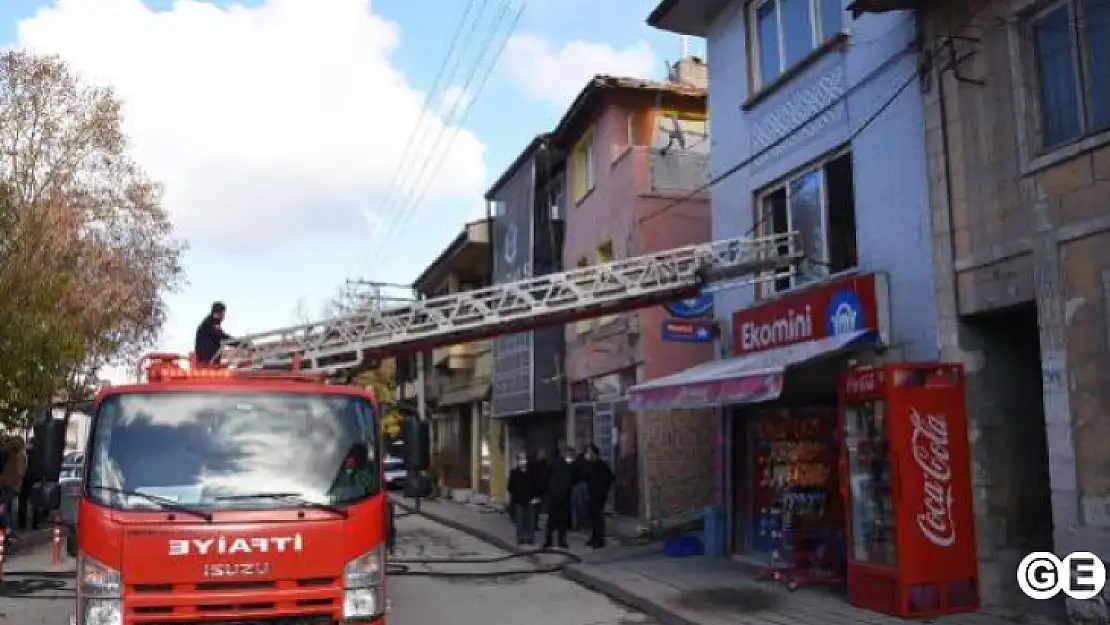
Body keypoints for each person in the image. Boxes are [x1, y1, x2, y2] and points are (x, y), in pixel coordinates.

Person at [542, 447, 575, 549]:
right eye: (569, 454)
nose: (570, 457)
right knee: (553, 520)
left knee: (561, 520)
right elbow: (548, 476)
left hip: (562, 495)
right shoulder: (556, 463)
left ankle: (558, 541)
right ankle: (551, 541)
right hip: (556, 495)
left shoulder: (569, 465)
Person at [584, 444, 614, 549]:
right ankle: (593, 537)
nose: (588, 454)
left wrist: (603, 490)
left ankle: (600, 539)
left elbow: (610, 478)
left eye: (590, 452)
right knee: (592, 517)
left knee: (598, 517)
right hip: (591, 494)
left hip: (599, 495)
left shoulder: (602, 465)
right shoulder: (588, 465)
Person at [0, 436, 28, 545]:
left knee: (4, 507)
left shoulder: (18, 455)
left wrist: (5, 479)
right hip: (12, 485)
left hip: (10, 485)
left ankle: (8, 529)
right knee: (7, 507)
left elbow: (19, 472)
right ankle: (8, 531)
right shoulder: (19, 454)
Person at [507, 452, 540, 545]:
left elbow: (536, 485)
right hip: (518, 501)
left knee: (530, 520)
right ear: (517, 461)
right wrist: (515, 497)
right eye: (520, 459)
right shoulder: (514, 473)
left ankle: (530, 538)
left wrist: (536, 497)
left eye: (524, 459)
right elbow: (510, 487)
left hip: (530, 500)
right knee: (520, 520)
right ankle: (521, 538)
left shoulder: (532, 473)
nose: (523, 461)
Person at [570, 447, 590, 532]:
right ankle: (584, 524)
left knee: (578, 505)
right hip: (584, 484)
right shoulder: (587, 462)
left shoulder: (576, 461)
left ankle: (579, 524)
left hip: (578, 484)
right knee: (583, 504)